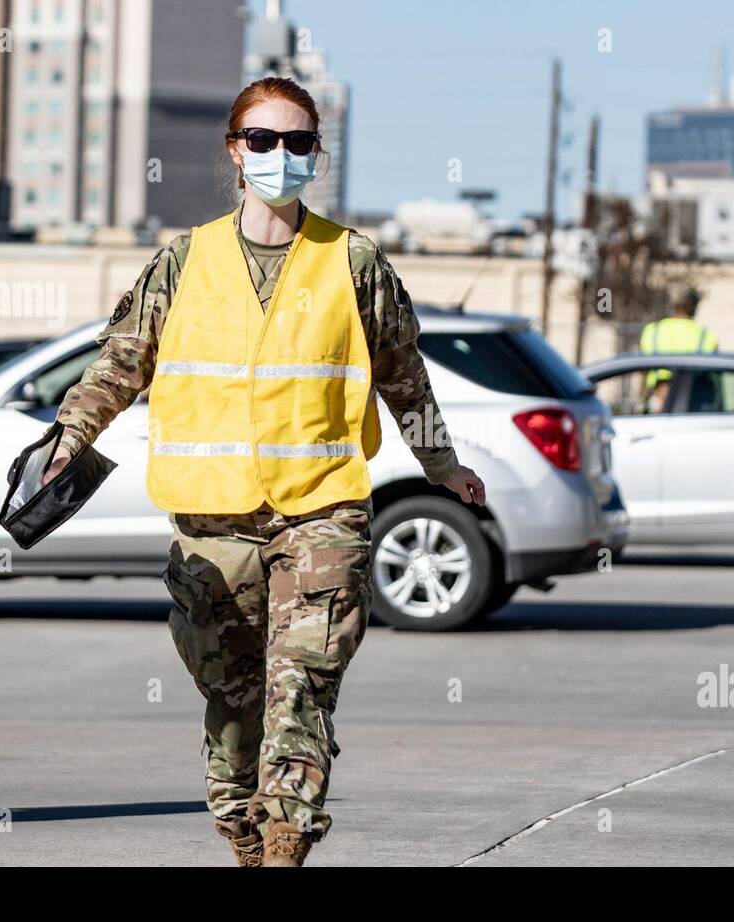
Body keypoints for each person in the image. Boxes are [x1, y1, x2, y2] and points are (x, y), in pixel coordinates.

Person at [37, 77, 485, 865]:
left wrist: (442, 465)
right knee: (233, 701)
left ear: (318, 153)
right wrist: (69, 436)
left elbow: (403, 375)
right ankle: (243, 827)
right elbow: (119, 364)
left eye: (300, 142)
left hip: (322, 513)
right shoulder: (183, 260)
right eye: (265, 140)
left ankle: (287, 840)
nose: (282, 156)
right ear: (235, 151)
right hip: (211, 524)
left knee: (302, 687)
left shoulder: (353, 261)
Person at [638, 287, 717, 412]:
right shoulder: (706, 335)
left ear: (673, 305)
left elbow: (642, 370)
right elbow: (712, 375)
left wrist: (642, 401)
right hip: (693, 407)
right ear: (694, 307)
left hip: (656, 402)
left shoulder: (653, 331)